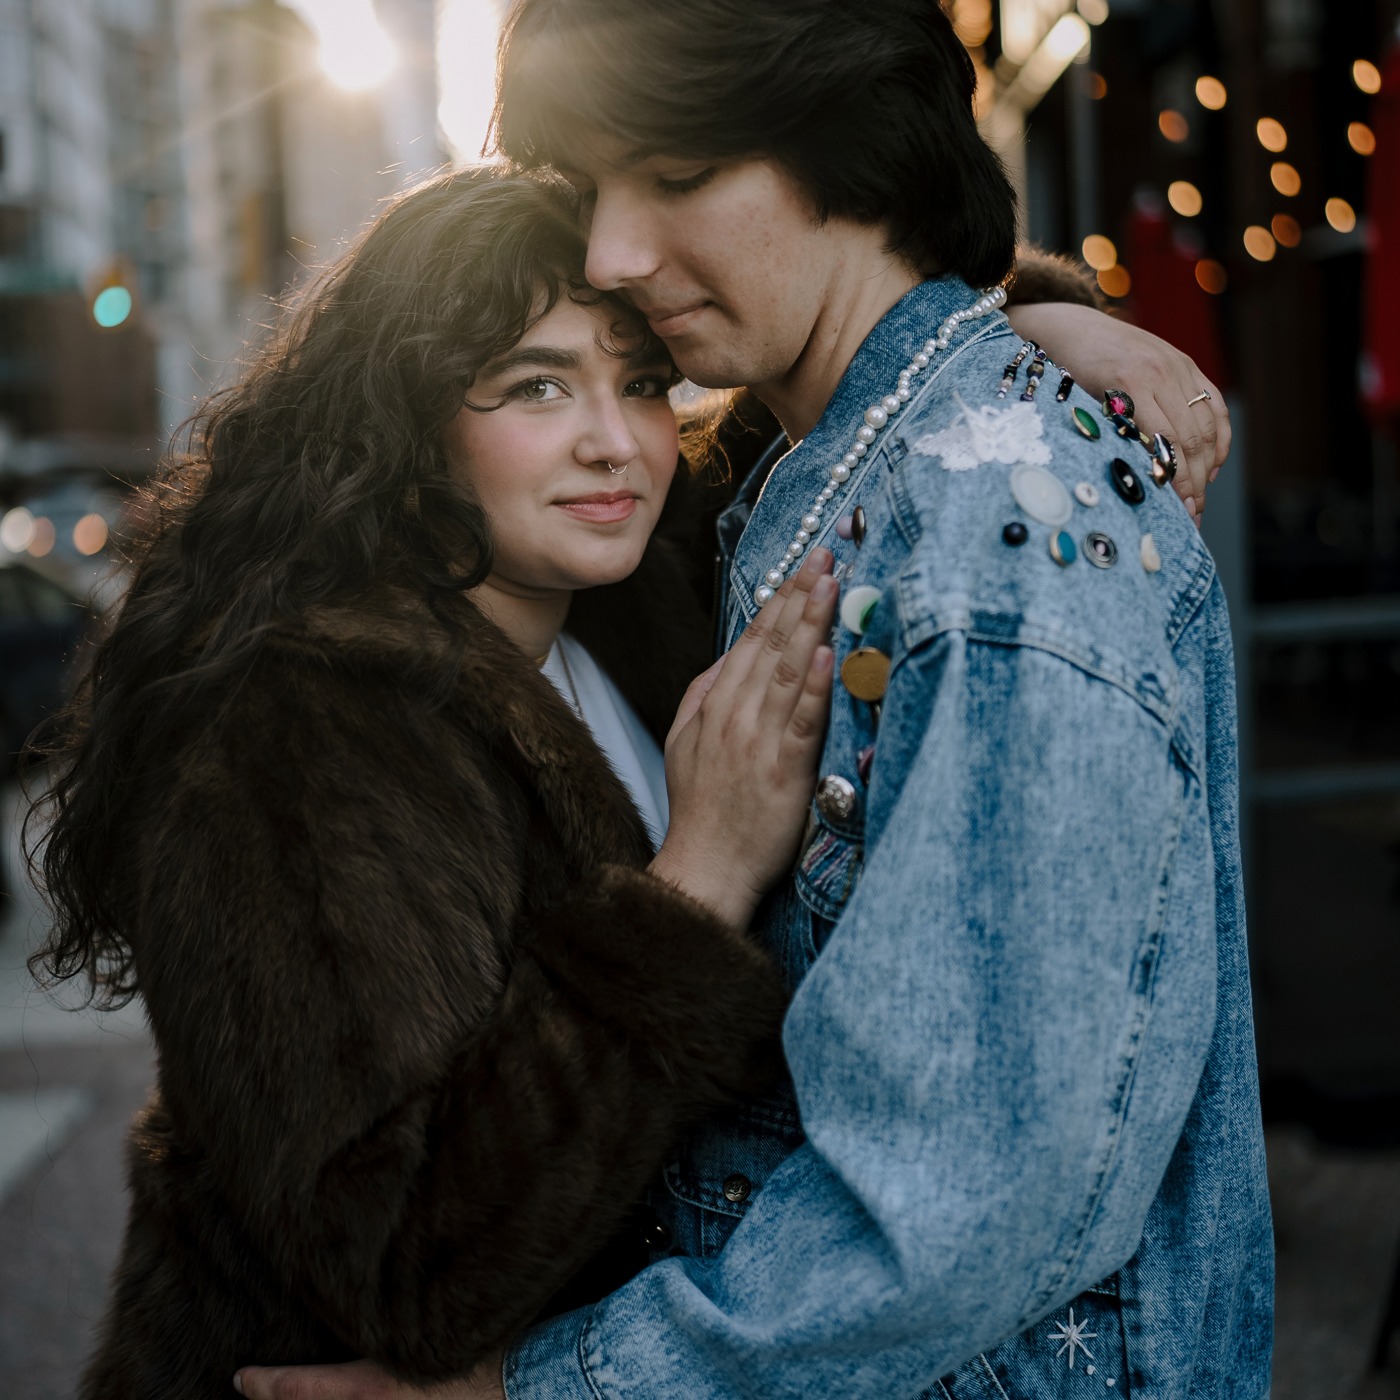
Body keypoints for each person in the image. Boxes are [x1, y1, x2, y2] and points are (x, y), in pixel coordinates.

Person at [238, 2, 1271, 1396]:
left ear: (855, 143)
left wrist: (531, 1387)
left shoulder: (995, 544)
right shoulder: (809, 483)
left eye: (671, 177)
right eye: (596, 189)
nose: (611, 251)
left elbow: (961, 1203)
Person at [32, 165, 1121, 1398]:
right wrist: (694, 880)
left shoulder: (618, 590)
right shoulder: (292, 724)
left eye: (643, 380)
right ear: (406, 419)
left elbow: (846, 380)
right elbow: (411, 1260)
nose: (615, 439)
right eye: (536, 384)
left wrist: (1022, 318)